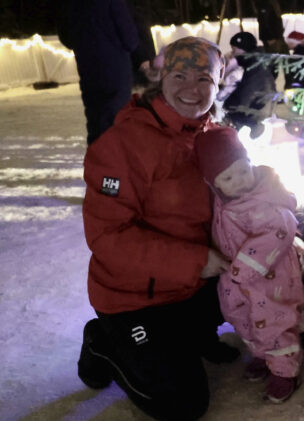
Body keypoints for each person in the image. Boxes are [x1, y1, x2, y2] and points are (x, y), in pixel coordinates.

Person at [77, 37, 239, 421]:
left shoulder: (217, 137)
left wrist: (283, 232)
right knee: (183, 404)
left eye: (204, 78)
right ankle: (105, 342)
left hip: (192, 286)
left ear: (218, 85)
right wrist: (195, 260)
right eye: (179, 75)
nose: (191, 88)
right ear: (161, 78)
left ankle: (196, 333)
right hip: (134, 297)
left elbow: (246, 199)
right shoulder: (123, 145)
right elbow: (107, 236)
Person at [193, 127, 304, 403]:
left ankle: (284, 370)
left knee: (274, 321)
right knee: (241, 317)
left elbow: (279, 232)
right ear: (214, 183)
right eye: (228, 177)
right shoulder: (222, 201)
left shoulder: (266, 198)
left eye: (244, 170)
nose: (241, 181)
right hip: (236, 278)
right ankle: (262, 354)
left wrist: (239, 271)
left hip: (272, 276)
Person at [58, 0, 138, 145]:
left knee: (96, 123)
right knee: (117, 122)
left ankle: (97, 165)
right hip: (116, 73)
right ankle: (115, 166)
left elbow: (66, 38)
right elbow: (131, 40)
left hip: (88, 70)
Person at [221, 31, 277, 133]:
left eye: (234, 50)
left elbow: (249, 92)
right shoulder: (254, 64)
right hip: (255, 114)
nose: (233, 53)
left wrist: (233, 110)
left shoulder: (255, 68)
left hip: (252, 117)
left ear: (243, 49)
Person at [119, 0, 157, 87]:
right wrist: (143, 60)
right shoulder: (122, 1)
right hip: (138, 67)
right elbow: (131, 31)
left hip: (142, 63)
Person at [258, 0, 290, 80]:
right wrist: (269, 37)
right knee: (273, 66)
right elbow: (263, 20)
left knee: (287, 62)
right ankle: (268, 87)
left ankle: (290, 86)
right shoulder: (267, 1)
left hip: (279, 37)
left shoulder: (273, 0)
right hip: (273, 39)